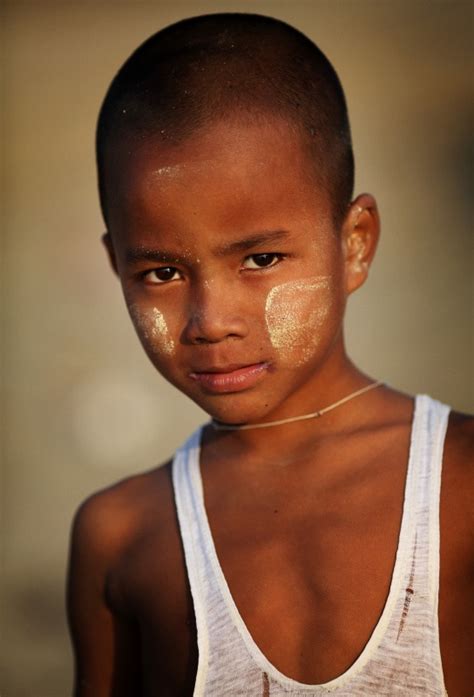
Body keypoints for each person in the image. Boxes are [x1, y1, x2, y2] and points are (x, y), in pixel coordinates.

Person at [66, 13, 473, 697]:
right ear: (117, 265)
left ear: (355, 244)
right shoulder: (124, 539)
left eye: (259, 258)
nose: (210, 321)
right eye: (162, 272)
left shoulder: (460, 485)